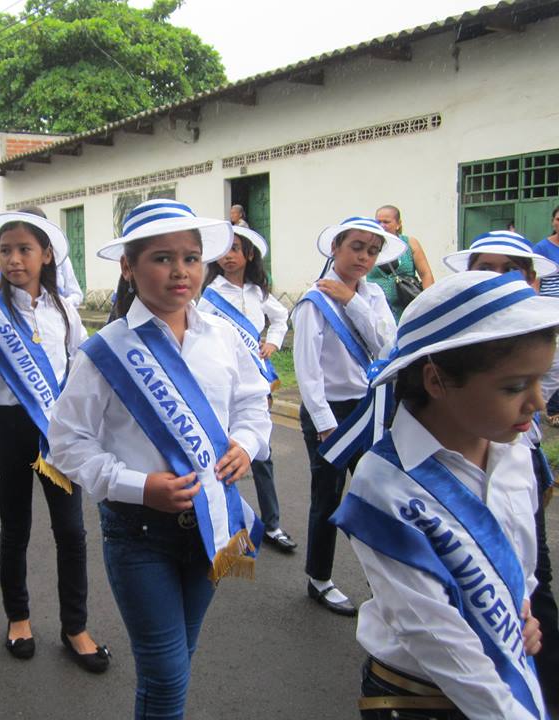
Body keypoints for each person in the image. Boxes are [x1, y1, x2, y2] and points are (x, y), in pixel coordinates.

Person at [48, 199, 270, 716]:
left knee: (181, 658)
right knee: (165, 675)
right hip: (138, 532)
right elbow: (67, 442)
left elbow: (252, 402)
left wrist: (247, 443)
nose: (181, 271)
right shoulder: (104, 351)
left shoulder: (221, 338)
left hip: (213, 522)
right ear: (128, 267)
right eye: (162, 258)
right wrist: (137, 485)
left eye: (191, 258)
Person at [331, 270, 551, 719]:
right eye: (513, 387)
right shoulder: (384, 484)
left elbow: (519, 563)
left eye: (540, 382)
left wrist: (520, 611)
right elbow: (433, 635)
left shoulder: (514, 453)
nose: (538, 404)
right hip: (416, 698)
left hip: (505, 674)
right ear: (435, 381)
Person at [0, 210, 108, 671]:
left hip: (56, 432)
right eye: (6, 251)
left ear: (47, 255)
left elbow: (83, 368)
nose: (14, 259)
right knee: (16, 530)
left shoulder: (63, 309)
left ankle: (74, 626)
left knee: (71, 532)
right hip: (7, 430)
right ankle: (18, 618)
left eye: (25, 250)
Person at [441, 230, 559, 714]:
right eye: (485, 268)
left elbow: (544, 395)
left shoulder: (543, 330)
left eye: (509, 269)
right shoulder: (452, 334)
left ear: (531, 279)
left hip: (519, 454)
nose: (497, 279)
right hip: (464, 457)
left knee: (531, 571)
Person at [292, 216, 405, 616]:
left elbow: (388, 343)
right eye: (356, 246)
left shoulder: (372, 295)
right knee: (328, 497)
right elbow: (307, 369)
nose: (364, 257)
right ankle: (319, 578)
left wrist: (351, 299)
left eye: (373, 251)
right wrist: (323, 422)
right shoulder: (313, 300)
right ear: (336, 247)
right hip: (331, 415)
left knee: (375, 495)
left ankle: (387, 582)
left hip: (369, 406)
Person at [198, 225, 296, 551]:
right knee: (222, 454)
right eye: (224, 250)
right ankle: (227, 522)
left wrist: (272, 342)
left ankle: (272, 524)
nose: (228, 256)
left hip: (256, 385)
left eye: (235, 249)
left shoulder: (258, 293)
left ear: (249, 255)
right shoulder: (209, 294)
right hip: (223, 387)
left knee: (260, 452)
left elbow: (281, 319)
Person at [367, 204, 435, 321]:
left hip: (407, 310)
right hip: (377, 312)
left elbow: (425, 274)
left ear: (398, 224)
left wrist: (427, 305)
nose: (382, 225)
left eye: (386, 222)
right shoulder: (368, 245)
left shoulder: (410, 243)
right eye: (378, 222)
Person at [532, 206, 559, 422]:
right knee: (553, 359)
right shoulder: (542, 247)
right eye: (558, 219)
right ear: (553, 222)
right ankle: (552, 409)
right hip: (550, 309)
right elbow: (536, 280)